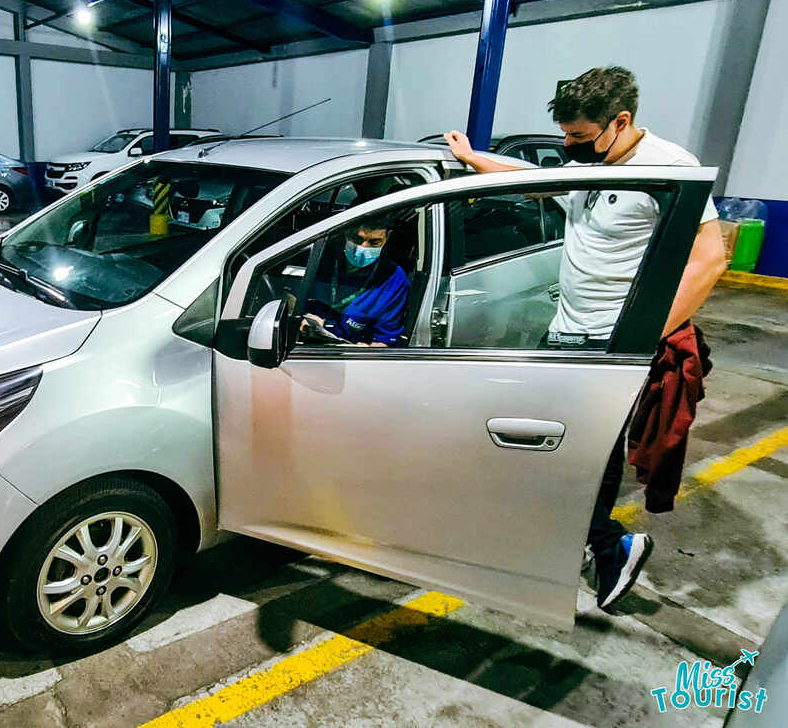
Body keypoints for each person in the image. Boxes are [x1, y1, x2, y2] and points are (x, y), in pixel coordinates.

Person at [444, 66, 727, 613]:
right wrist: (477, 159)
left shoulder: (670, 169)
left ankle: (611, 548)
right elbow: (531, 175)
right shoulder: (592, 163)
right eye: (565, 137)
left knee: (581, 452)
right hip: (567, 333)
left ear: (620, 122)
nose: (570, 148)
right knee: (569, 448)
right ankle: (583, 540)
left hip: (612, 343)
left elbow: (709, 259)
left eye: (579, 136)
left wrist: (643, 336)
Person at [299, 218, 410, 348]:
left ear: (387, 237)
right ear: (346, 230)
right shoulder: (319, 259)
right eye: (357, 239)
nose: (363, 248)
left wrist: (367, 350)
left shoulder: (394, 279)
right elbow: (293, 297)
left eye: (374, 242)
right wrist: (305, 319)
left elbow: (386, 338)